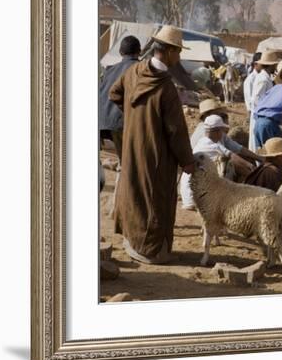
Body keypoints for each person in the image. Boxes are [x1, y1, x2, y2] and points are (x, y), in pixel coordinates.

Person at [109, 25, 195, 264]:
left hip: (132, 146)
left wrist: (134, 118)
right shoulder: (166, 88)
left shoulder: (133, 72)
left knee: (134, 191)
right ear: (167, 52)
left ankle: (131, 242)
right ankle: (151, 250)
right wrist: (187, 161)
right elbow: (176, 131)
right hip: (156, 155)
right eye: (177, 52)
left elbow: (114, 94)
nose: (178, 57)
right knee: (154, 198)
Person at [191, 98, 262, 178]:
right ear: (207, 115)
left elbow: (238, 148)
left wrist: (260, 158)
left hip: (212, 166)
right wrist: (252, 168)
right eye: (216, 113)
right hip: (204, 173)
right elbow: (230, 156)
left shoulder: (215, 128)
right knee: (233, 163)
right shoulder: (207, 134)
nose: (219, 115)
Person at [180, 115, 237, 210]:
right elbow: (234, 157)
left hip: (187, 198)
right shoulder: (214, 145)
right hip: (197, 200)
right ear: (217, 131)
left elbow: (238, 148)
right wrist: (251, 167)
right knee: (227, 164)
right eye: (222, 130)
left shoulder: (202, 140)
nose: (223, 133)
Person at [99, 35, 141, 160]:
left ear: (120, 52)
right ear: (140, 51)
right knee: (132, 162)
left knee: (124, 160)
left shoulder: (109, 70)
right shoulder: (142, 69)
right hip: (126, 122)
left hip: (107, 121)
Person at [253, 59, 282, 148]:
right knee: (276, 153)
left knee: (263, 155)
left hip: (259, 122)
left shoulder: (276, 87)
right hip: (269, 124)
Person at [248, 51, 278, 151]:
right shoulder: (263, 79)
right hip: (261, 117)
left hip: (262, 116)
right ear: (271, 65)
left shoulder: (266, 77)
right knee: (262, 147)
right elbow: (256, 99)